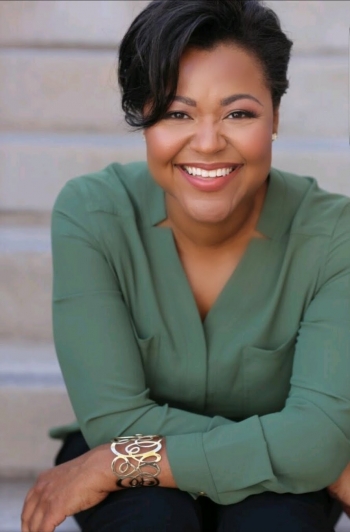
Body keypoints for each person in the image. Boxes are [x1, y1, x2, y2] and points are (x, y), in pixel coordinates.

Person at [21, 0, 350, 531]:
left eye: (238, 113)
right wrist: (298, 446)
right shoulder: (93, 213)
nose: (207, 141)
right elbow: (115, 423)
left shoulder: (336, 234)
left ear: (275, 116)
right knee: (151, 520)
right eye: (177, 112)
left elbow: (316, 441)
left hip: (134, 459)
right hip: (137, 450)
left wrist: (111, 465)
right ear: (144, 119)